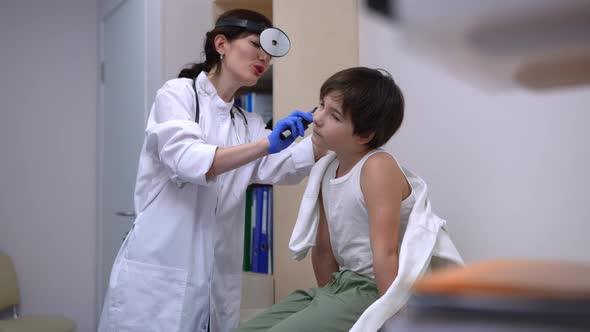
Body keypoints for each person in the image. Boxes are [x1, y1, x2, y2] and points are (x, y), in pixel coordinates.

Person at [98, 9, 324, 332]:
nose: (264, 57)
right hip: (159, 280)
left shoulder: (247, 124)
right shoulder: (178, 96)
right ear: (222, 44)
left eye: (270, 51)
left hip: (215, 286)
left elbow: (284, 166)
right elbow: (191, 160)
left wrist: (328, 127)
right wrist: (266, 145)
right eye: (255, 44)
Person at [236, 67, 413, 331]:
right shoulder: (327, 166)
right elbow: (324, 249)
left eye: (334, 115)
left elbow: (386, 253)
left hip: (375, 289)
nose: (317, 118)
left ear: (365, 135)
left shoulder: (378, 166)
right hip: (340, 286)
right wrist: (327, 304)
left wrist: (395, 320)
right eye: (321, 105)